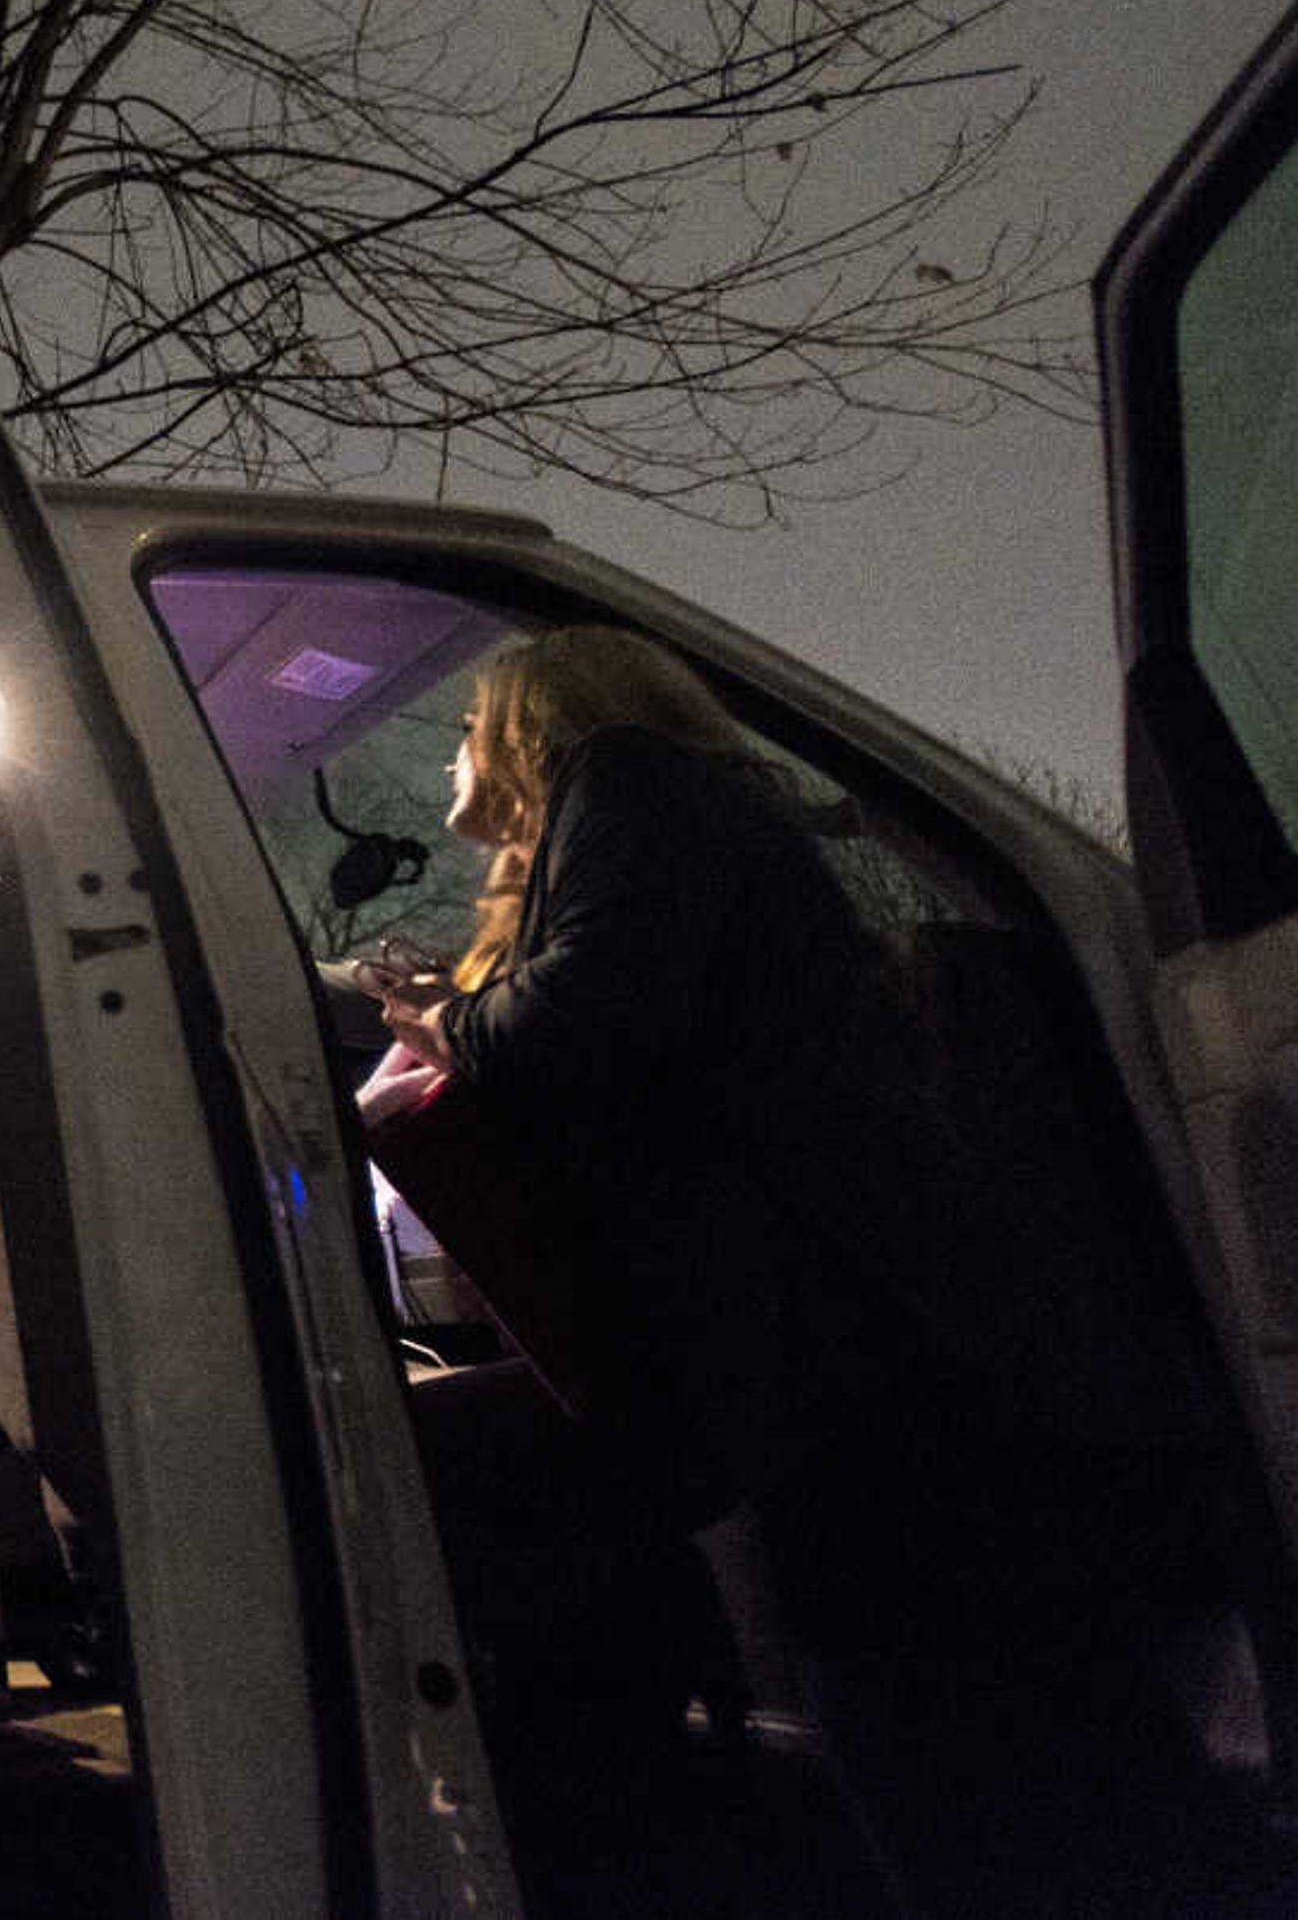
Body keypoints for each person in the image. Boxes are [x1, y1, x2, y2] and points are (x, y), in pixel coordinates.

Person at [366, 625, 1229, 1919]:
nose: (449, 763)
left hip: (852, 1344)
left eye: (464, 730)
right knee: (966, 1713)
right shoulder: (677, 816)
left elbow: (577, 1027)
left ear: (529, 723)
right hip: (855, 1337)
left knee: (945, 1720)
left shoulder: (631, 778)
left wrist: (442, 1020)